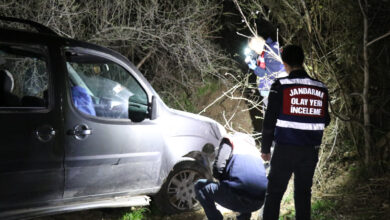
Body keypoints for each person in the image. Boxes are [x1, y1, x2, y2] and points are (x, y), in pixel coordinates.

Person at [260, 45, 331, 220]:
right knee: (303, 194)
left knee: (274, 194)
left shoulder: (281, 86)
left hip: (285, 150)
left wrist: (265, 149)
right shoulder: (320, 88)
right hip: (310, 151)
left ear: (285, 64)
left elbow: (269, 121)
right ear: (302, 61)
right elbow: (326, 120)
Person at [195, 132, 268, 220]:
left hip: (236, 198)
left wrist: (222, 180)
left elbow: (218, 169)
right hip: (258, 202)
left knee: (200, 186)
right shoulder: (255, 152)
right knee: (246, 186)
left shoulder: (229, 141)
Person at [245, 37, 286, 106]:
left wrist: (256, 68)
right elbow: (264, 72)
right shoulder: (265, 52)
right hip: (268, 93)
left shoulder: (271, 51)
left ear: (258, 44)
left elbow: (273, 75)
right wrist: (255, 66)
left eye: (254, 49)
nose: (255, 51)